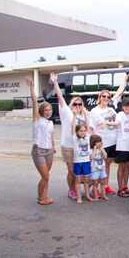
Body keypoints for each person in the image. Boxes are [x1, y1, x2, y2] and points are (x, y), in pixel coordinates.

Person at [50, 72, 89, 200]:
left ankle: (77, 188)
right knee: (71, 170)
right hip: (67, 145)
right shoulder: (66, 111)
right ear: (71, 104)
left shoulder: (83, 115)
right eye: (75, 104)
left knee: (79, 171)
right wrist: (55, 82)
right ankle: (71, 190)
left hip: (80, 147)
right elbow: (60, 97)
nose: (77, 106)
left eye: (80, 104)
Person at [89, 74, 129, 196]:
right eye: (103, 96)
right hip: (102, 143)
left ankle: (105, 186)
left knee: (108, 164)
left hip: (113, 141)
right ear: (99, 97)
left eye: (108, 96)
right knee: (101, 166)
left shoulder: (111, 108)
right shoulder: (95, 111)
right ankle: (96, 188)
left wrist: (125, 81)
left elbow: (119, 93)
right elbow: (93, 127)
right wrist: (93, 145)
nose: (106, 98)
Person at [27, 77, 55, 205]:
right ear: (41, 111)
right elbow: (34, 101)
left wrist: (53, 147)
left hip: (49, 151)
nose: (48, 111)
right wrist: (32, 87)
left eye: (50, 109)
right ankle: (40, 198)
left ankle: (45, 196)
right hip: (38, 151)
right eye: (46, 110)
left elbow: (51, 136)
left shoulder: (50, 122)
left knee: (46, 177)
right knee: (46, 176)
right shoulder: (37, 119)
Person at [114, 98, 129, 198]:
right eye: (125, 106)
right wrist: (108, 123)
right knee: (121, 166)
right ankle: (120, 189)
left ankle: (125, 187)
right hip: (122, 145)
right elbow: (117, 123)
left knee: (128, 166)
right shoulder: (119, 115)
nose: (128, 108)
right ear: (122, 107)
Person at [72, 123, 95, 204]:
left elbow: (88, 125)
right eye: (81, 131)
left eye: (84, 131)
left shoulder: (87, 137)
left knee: (86, 180)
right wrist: (74, 115)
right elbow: (73, 127)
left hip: (86, 162)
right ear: (77, 132)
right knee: (77, 180)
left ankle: (87, 195)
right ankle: (79, 197)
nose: (83, 132)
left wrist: (84, 112)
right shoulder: (75, 138)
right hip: (77, 162)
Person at [90, 134, 109, 201]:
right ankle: (96, 196)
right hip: (95, 170)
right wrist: (95, 150)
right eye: (98, 141)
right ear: (94, 143)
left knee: (103, 182)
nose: (100, 143)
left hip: (102, 169)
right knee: (95, 183)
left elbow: (105, 157)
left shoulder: (101, 149)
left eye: (100, 141)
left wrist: (102, 150)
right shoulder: (91, 150)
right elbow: (91, 158)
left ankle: (103, 195)